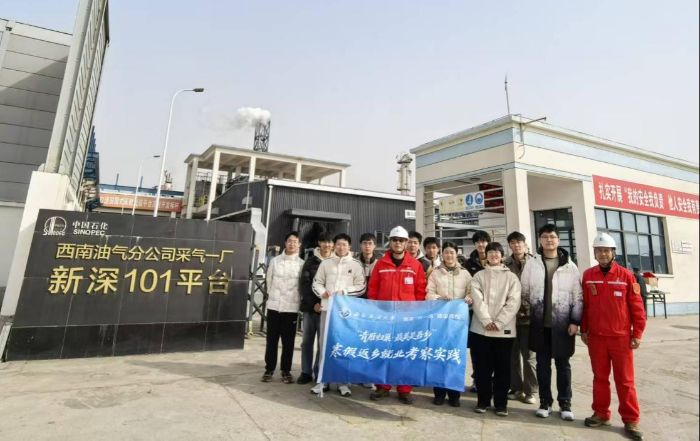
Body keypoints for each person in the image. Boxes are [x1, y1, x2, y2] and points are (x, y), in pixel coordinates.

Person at [581, 233, 646, 441]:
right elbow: (585, 306)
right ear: (594, 253)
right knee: (599, 378)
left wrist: (637, 333)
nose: (602, 254)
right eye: (599, 251)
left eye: (606, 250)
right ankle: (601, 413)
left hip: (621, 339)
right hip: (597, 338)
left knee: (625, 381)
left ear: (613, 253)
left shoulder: (626, 276)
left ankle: (631, 419)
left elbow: (637, 308)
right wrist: (584, 329)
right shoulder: (588, 275)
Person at [520, 224, 582, 421]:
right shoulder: (533, 264)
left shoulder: (570, 266)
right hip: (540, 325)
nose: (549, 240)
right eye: (545, 237)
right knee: (542, 365)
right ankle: (545, 402)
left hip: (563, 324)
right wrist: (531, 312)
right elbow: (524, 291)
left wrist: (575, 321)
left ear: (558, 240)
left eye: (552, 236)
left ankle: (565, 403)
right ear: (540, 240)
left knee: (563, 365)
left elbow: (577, 296)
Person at [367, 225, 427, 404]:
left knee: (405, 353)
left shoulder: (415, 265)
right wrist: (375, 312)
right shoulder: (380, 264)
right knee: (382, 351)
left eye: (401, 240)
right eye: (394, 240)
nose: (398, 243)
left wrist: (415, 315)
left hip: (406, 320)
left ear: (406, 243)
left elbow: (420, 291)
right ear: (390, 242)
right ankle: (382, 386)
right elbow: (373, 289)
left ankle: (404, 389)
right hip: (384, 318)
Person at [311, 233, 366, 396]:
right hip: (327, 310)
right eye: (339, 244)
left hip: (345, 313)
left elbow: (361, 286)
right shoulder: (326, 263)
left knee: (344, 346)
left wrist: (345, 291)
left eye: (344, 244)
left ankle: (343, 383)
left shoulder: (356, 264)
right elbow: (317, 282)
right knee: (324, 345)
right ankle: (323, 381)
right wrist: (322, 292)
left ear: (349, 247)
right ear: (334, 246)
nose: (341, 247)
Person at [470, 242, 521, 416]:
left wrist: (499, 322)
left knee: (502, 369)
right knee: (482, 368)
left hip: (504, 332)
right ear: (486, 255)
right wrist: (486, 320)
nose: (494, 255)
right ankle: (482, 401)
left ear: (502, 255)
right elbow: (477, 299)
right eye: (490, 252)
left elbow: (514, 302)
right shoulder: (478, 276)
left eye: (497, 252)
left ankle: (501, 404)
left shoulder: (512, 278)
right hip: (480, 329)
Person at [426, 241, 472, 407]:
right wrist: (439, 298)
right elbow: (428, 293)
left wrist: (469, 299)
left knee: (455, 357)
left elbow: (471, 292)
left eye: (452, 252)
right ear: (442, 254)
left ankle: (454, 394)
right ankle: (439, 393)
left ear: (457, 253)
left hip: (458, 324)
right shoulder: (435, 273)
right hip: (439, 321)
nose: (449, 255)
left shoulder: (465, 274)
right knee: (438, 356)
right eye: (446, 252)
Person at [261, 232, 305, 384]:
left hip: (291, 309)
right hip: (274, 307)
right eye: (289, 241)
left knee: (288, 342)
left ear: (299, 244)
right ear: (285, 243)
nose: (292, 244)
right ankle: (269, 369)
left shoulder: (301, 264)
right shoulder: (275, 261)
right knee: (271, 340)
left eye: (295, 241)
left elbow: (301, 286)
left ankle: (286, 371)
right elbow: (269, 281)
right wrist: (273, 296)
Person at [296, 232, 335, 385]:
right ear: (319, 243)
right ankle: (305, 372)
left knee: (322, 343)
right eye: (324, 241)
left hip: (328, 309)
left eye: (330, 242)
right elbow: (304, 285)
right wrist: (314, 304)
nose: (327, 245)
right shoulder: (311, 261)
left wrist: (325, 304)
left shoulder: (335, 262)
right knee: (307, 341)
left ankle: (319, 372)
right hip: (311, 308)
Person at [504, 231, 537, 405]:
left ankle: (531, 391)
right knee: (512, 355)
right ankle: (516, 388)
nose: (516, 245)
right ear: (509, 245)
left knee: (529, 356)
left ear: (525, 244)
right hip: (510, 317)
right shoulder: (505, 264)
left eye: (519, 242)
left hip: (530, 317)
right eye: (513, 242)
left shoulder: (535, 263)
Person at [465, 230, 491, 393]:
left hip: (494, 311)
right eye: (478, 242)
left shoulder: (496, 260)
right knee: (477, 347)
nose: (481, 244)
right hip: (474, 311)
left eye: (484, 241)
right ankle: (477, 379)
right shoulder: (468, 264)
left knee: (493, 348)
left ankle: (491, 379)